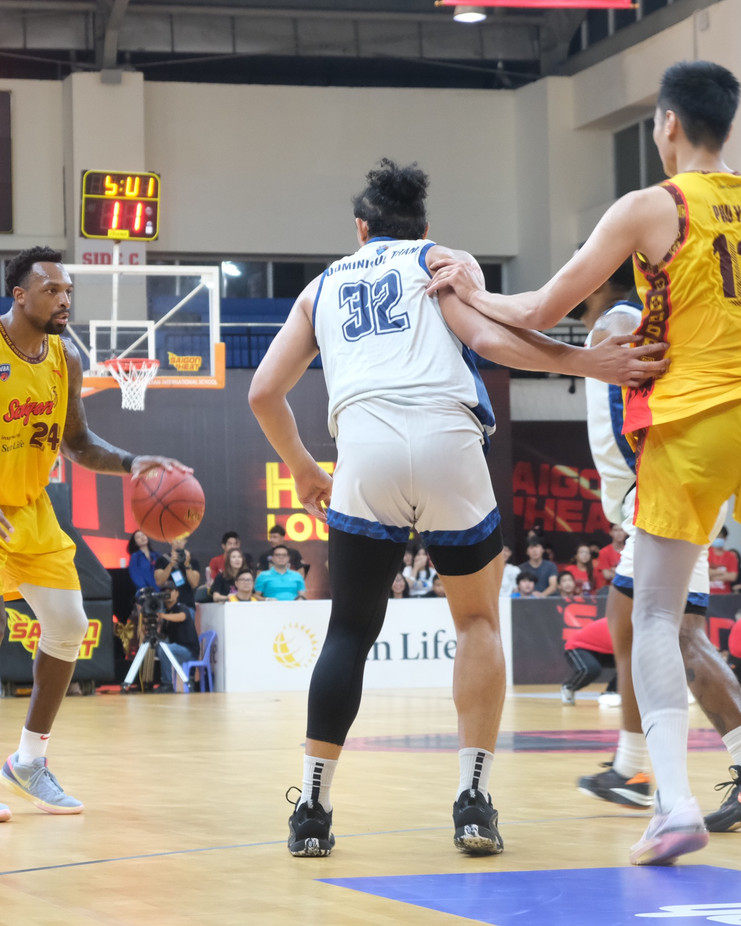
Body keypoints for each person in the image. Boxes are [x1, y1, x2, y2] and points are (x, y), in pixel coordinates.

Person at [428, 61, 741, 861]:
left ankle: (675, 804)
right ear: (728, 124)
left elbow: (539, 310)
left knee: (652, 616)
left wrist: (466, 289)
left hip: (697, 416)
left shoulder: (653, 206)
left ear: (669, 124)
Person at [249, 158, 665, 859]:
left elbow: (263, 392)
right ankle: (473, 803)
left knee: (349, 631)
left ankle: (312, 810)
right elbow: (493, 342)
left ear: (361, 229)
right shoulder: (440, 261)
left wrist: (303, 468)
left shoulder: (320, 289)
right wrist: (584, 363)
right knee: (475, 621)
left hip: (366, 448)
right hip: (448, 441)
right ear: (423, 227)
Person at [0, 245, 187, 824]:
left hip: (30, 507)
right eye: (52, 290)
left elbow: (77, 443)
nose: (64, 300)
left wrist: (131, 463)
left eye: (67, 291)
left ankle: (29, 762)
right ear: (20, 295)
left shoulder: (65, 358)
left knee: (70, 626)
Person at [571, 269, 741, 831]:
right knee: (640, 626)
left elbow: (627, 417)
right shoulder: (636, 321)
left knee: (666, 632)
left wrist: (645, 491)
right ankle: (635, 768)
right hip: (676, 487)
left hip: (663, 491)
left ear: (599, 279)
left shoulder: (618, 323)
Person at [561, 617, 619, 709]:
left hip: (606, 651)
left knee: (632, 665)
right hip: (579, 647)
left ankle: (611, 693)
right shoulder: (625, 623)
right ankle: (569, 687)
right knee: (590, 670)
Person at [153, 581, 199, 690]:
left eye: (170, 591)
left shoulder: (181, 607)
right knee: (157, 648)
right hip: (176, 649)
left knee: (164, 650)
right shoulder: (166, 612)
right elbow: (163, 636)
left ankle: (167, 683)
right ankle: (149, 683)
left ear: (177, 593)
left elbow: (182, 617)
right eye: (165, 592)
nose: (168, 594)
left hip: (188, 651)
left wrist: (163, 616)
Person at [708, 527, 739, 594]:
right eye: (716, 536)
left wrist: (712, 577)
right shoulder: (706, 554)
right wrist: (723, 572)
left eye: (720, 537)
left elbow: (732, 577)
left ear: (725, 538)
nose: (718, 538)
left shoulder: (731, 556)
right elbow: (705, 572)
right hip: (707, 594)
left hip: (725, 595)